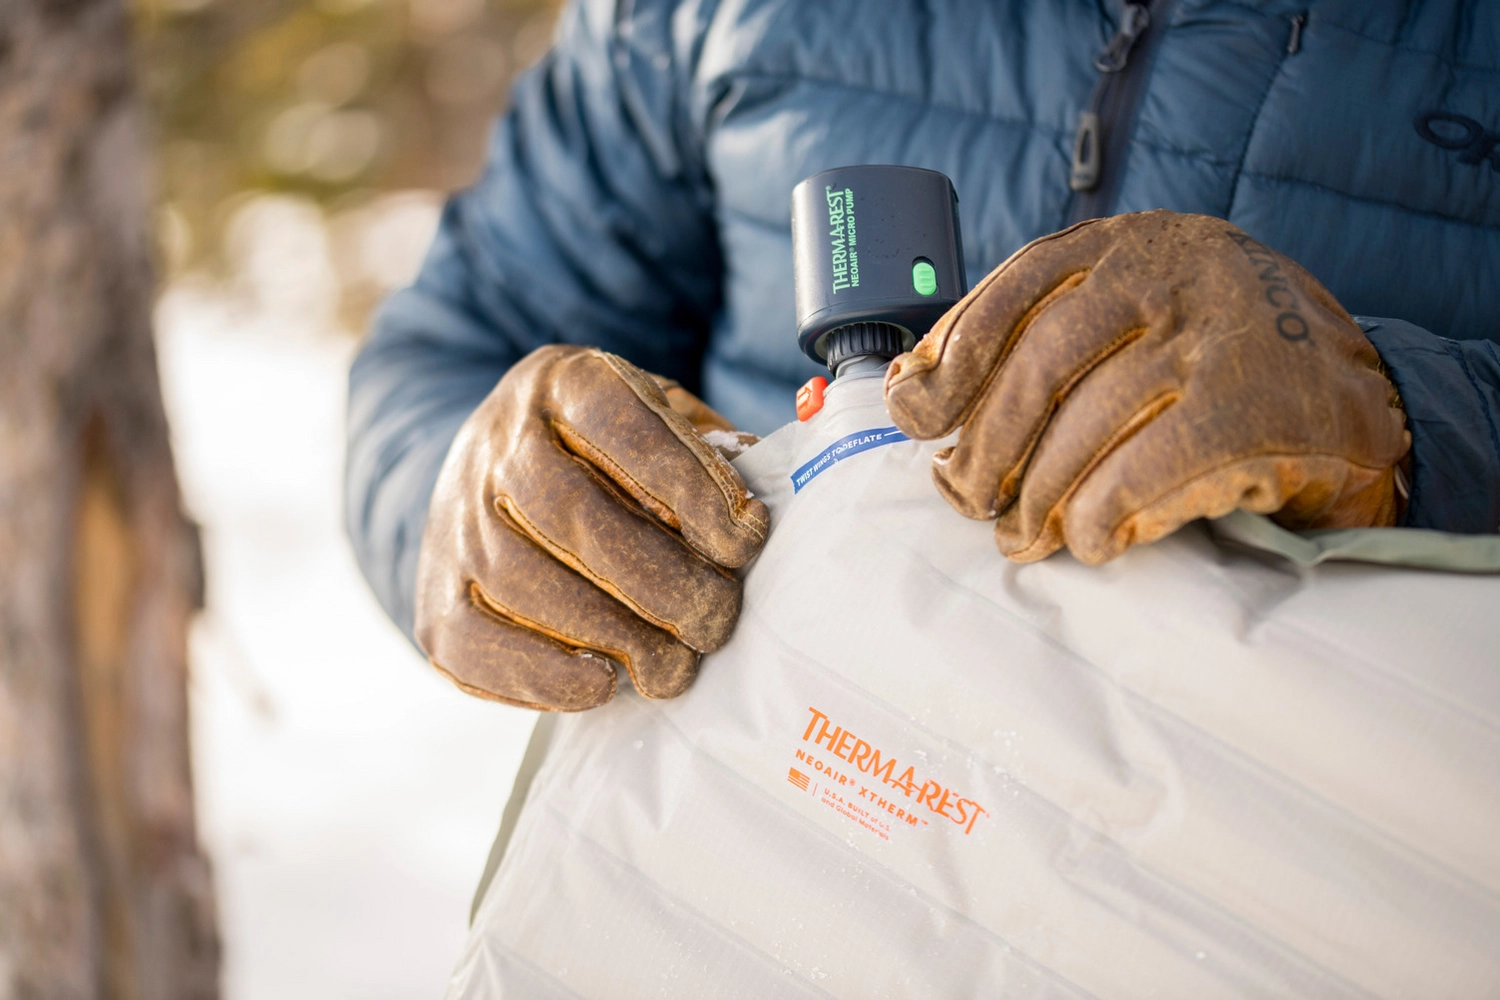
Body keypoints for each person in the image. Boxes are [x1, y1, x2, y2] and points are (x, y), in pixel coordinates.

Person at [346, 0, 1500, 711]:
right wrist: (464, 488)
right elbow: (459, 343)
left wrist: (1408, 422)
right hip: (763, 829)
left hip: (1286, 869)